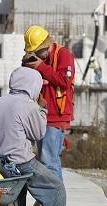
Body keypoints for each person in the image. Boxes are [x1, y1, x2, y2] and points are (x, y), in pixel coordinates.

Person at [0, 67, 86, 206]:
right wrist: (42, 109)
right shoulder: (29, 105)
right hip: (22, 162)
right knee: (56, 189)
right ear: (32, 85)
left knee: (17, 193)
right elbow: (39, 133)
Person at [22, 25, 74, 182]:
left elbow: (65, 80)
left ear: (46, 45)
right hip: (39, 114)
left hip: (55, 116)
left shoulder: (64, 55)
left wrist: (40, 67)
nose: (36, 56)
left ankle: (56, 202)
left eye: (37, 52)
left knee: (49, 161)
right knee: (44, 161)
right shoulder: (41, 60)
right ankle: (49, 201)